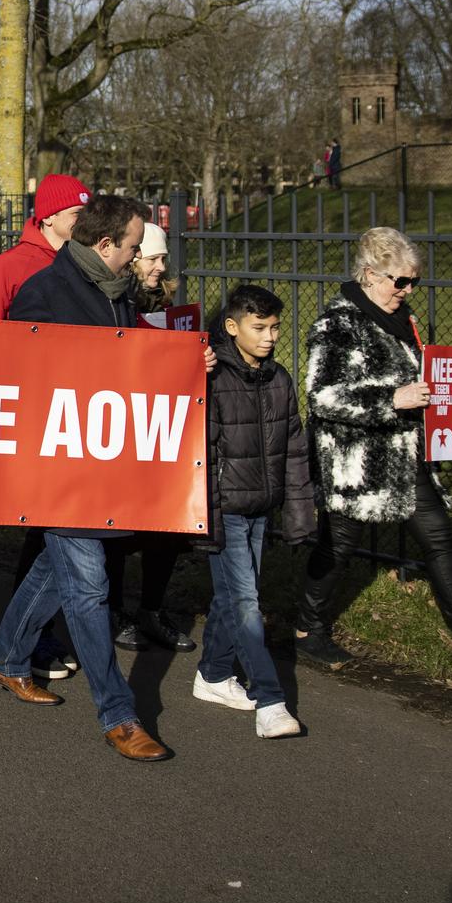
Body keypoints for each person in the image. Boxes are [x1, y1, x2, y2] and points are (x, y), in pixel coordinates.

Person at [0, 193, 174, 763]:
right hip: (58, 471)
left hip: (96, 466)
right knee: (88, 586)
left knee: (55, 568)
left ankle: (7, 658)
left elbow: (127, 360)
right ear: (106, 245)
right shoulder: (46, 294)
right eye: (135, 248)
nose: (141, 258)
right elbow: (22, 379)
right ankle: (118, 714)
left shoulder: (113, 294)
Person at [295, 227, 452, 669]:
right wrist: (392, 400)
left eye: (413, 281)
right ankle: (309, 631)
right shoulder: (338, 324)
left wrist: (449, 391)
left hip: (405, 456)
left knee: (440, 539)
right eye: (398, 281)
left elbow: (418, 380)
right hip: (355, 462)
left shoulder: (404, 322)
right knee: (338, 545)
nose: (406, 290)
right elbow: (322, 396)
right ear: (369, 275)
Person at [0, 173, 91, 677]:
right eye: (75, 214)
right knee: (44, 529)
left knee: (53, 530)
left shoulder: (81, 265)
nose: (82, 222)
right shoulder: (11, 266)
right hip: (28, 413)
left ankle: (35, 634)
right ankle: (29, 639)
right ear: (49, 216)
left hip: (69, 413)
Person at [197, 285, 314, 739]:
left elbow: (294, 448)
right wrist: (204, 514)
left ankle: (211, 673)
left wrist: (300, 512)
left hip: (261, 510)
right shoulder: (209, 375)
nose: (269, 337)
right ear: (232, 327)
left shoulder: (278, 378)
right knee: (246, 602)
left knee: (230, 597)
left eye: (275, 327)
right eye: (259, 327)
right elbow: (200, 451)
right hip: (225, 509)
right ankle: (271, 700)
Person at [106, 220, 194, 653]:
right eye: (154, 258)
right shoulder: (114, 300)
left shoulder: (171, 306)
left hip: (165, 431)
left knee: (167, 527)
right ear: (134, 257)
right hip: (125, 430)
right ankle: (115, 611)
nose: (161, 267)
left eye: (163, 259)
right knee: (121, 530)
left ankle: (152, 610)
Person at [0, 173, 88, 321]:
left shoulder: (90, 260)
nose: (86, 220)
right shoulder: (8, 265)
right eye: (78, 213)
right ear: (48, 217)